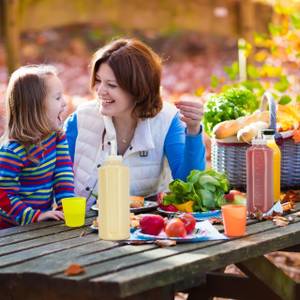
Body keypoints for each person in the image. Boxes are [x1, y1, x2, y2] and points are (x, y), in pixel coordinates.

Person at [65, 38, 205, 208]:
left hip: (142, 225)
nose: (100, 90)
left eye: (111, 85)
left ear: (138, 88)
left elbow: (188, 184)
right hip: (80, 225)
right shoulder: (80, 120)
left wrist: (193, 131)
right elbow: (56, 178)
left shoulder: (167, 121)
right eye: (99, 80)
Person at [0, 65, 75, 228]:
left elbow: (63, 173)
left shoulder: (56, 137)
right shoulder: (12, 152)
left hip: (40, 223)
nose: (64, 103)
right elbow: (4, 197)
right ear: (35, 107)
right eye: (57, 98)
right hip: (11, 229)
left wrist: (66, 205)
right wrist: (34, 216)